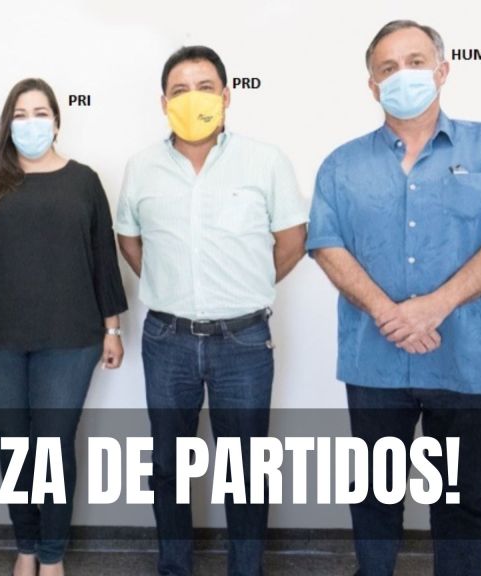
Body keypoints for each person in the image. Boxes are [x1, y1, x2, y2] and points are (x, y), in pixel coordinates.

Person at [306, 19, 481, 576]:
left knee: (459, 500)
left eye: (416, 62)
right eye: (388, 68)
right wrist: (388, 312)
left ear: (442, 71)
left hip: (470, 360)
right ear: (372, 85)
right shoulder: (342, 165)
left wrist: (434, 305)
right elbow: (326, 244)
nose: (403, 75)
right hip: (375, 362)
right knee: (374, 495)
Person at [115, 46, 307, 576]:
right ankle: (174, 567)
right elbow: (130, 241)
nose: (192, 98)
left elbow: (292, 241)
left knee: (245, 468)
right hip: (167, 339)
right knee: (168, 465)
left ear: (226, 95)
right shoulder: (142, 167)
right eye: (179, 90)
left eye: (204, 87)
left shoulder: (265, 161)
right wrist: (171, 285)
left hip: (243, 341)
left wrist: (245, 285)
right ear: (163, 102)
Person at [0, 77, 128, 576]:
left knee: (54, 445)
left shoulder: (84, 181)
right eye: (20, 114)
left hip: (71, 339)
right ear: (7, 125)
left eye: (40, 113)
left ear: (57, 122)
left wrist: (112, 330)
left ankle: (52, 553)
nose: (31, 123)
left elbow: (102, 259)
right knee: (14, 445)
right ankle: (26, 545)